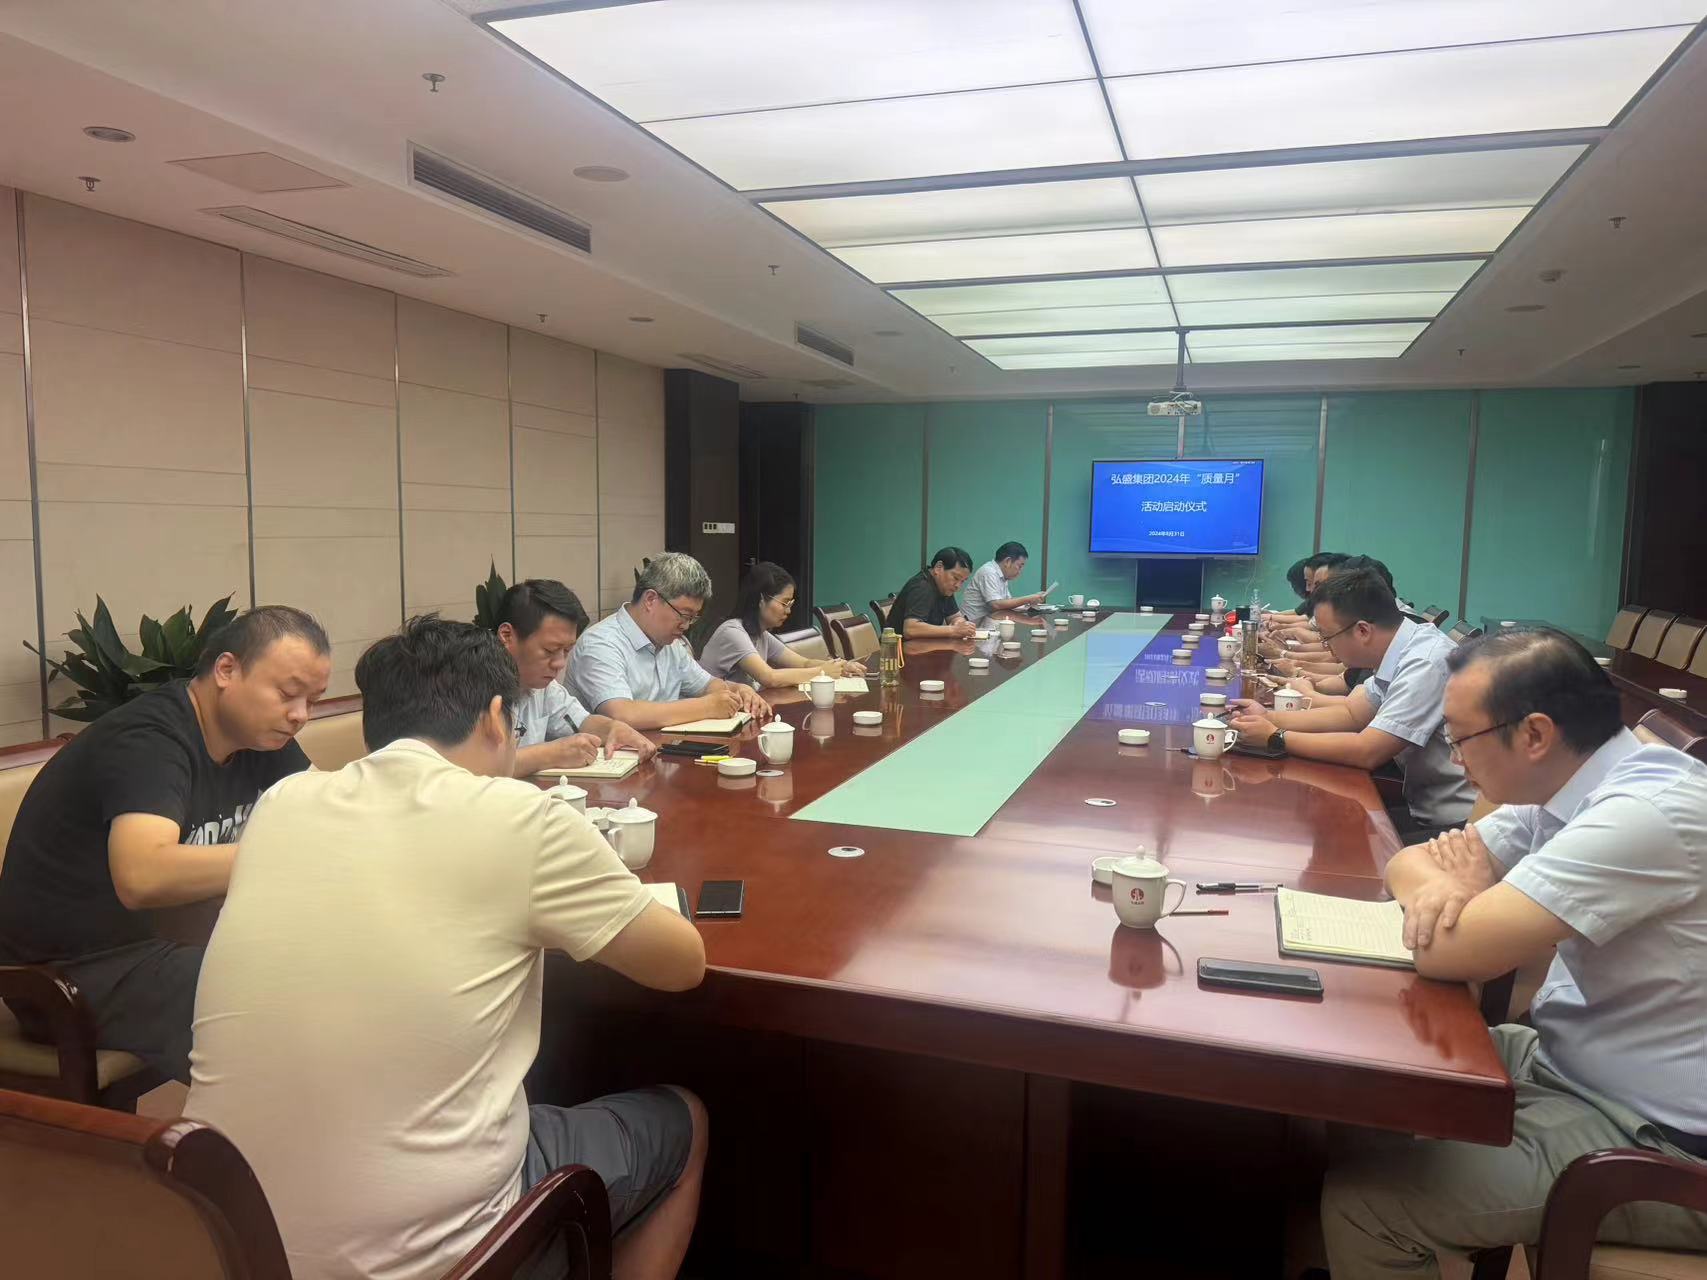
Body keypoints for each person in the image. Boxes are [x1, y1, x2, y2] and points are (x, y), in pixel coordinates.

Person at [185, 616, 708, 1280]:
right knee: (685, 1120)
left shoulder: (282, 803)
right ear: (495, 717)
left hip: (224, 1238)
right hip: (433, 1259)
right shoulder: (522, 818)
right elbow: (681, 964)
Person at [1321, 627, 1707, 1275]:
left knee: (1365, 1205)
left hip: (1657, 1137)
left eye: (1459, 738)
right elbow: (1408, 862)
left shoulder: (1645, 812)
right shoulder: (1564, 786)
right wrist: (1448, 887)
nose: (1454, 759)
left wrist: (1460, 904)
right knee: (1365, 1074)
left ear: (1533, 734)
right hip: (1566, 1062)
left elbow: (1455, 953)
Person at [0, 605, 331, 1082]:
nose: (299, 715)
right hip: (69, 974)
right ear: (226, 670)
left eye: (312, 701)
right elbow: (143, 876)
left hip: (164, 943)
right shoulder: (149, 740)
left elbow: (327, 814)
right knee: (289, 999)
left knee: (333, 965)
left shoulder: (261, 737)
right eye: (287, 693)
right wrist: (282, 855)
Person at [1229, 566, 1474, 842]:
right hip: (1418, 804)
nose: (1326, 646)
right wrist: (1267, 717)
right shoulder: (1400, 648)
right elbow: (1352, 713)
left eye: (1327, 637)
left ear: (1362, 631)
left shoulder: (1425, 662)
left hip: (1454, 828)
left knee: (1337, 840)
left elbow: (1367, 750)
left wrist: (1276, 737)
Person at [567, 551, 770, 730]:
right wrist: (707, 706)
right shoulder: (601, 643)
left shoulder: (670, 644)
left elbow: (707, 685)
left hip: (663, 749)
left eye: (693, 618)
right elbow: (622, 714)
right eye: (684, 615)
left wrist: (737, 690)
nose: (686, 626)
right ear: (650, 600)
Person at [495, 578, 656, 776]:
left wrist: (613, 729)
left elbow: (581, 722)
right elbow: (471, 768)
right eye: (549, 650)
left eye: (566, 651)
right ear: (507, 635)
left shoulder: (543, 686)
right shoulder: (470, 681)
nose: (559, 663)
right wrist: (550, 754)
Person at [698, 562, 866, 689]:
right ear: (761, 599)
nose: (788, 611)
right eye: (784, 603)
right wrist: (822, 672)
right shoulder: (732, 632)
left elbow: (804, 663)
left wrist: (840, 666)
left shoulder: (762, 635)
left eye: (791, 604)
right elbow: (769, 678)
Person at [889, 547, 976, 640]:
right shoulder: (922, 587)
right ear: (938, 567)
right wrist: (953, 630)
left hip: (923, 645)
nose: (958, 586)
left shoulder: (944, 587)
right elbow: (910, 629)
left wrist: (959, 623)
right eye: (956, 578)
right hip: (901, 647)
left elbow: (955, 616)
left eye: (962, 581)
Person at [961, 541, 1046, 624]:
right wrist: (1028, 599)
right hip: (973, 624)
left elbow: (1007, 603)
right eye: (1019, 566)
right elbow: (996, 605)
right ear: (1008, 561)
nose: (1020, 571)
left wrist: (1030, 601)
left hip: (988, 622)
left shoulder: (1002, 575)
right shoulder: (989, 572)